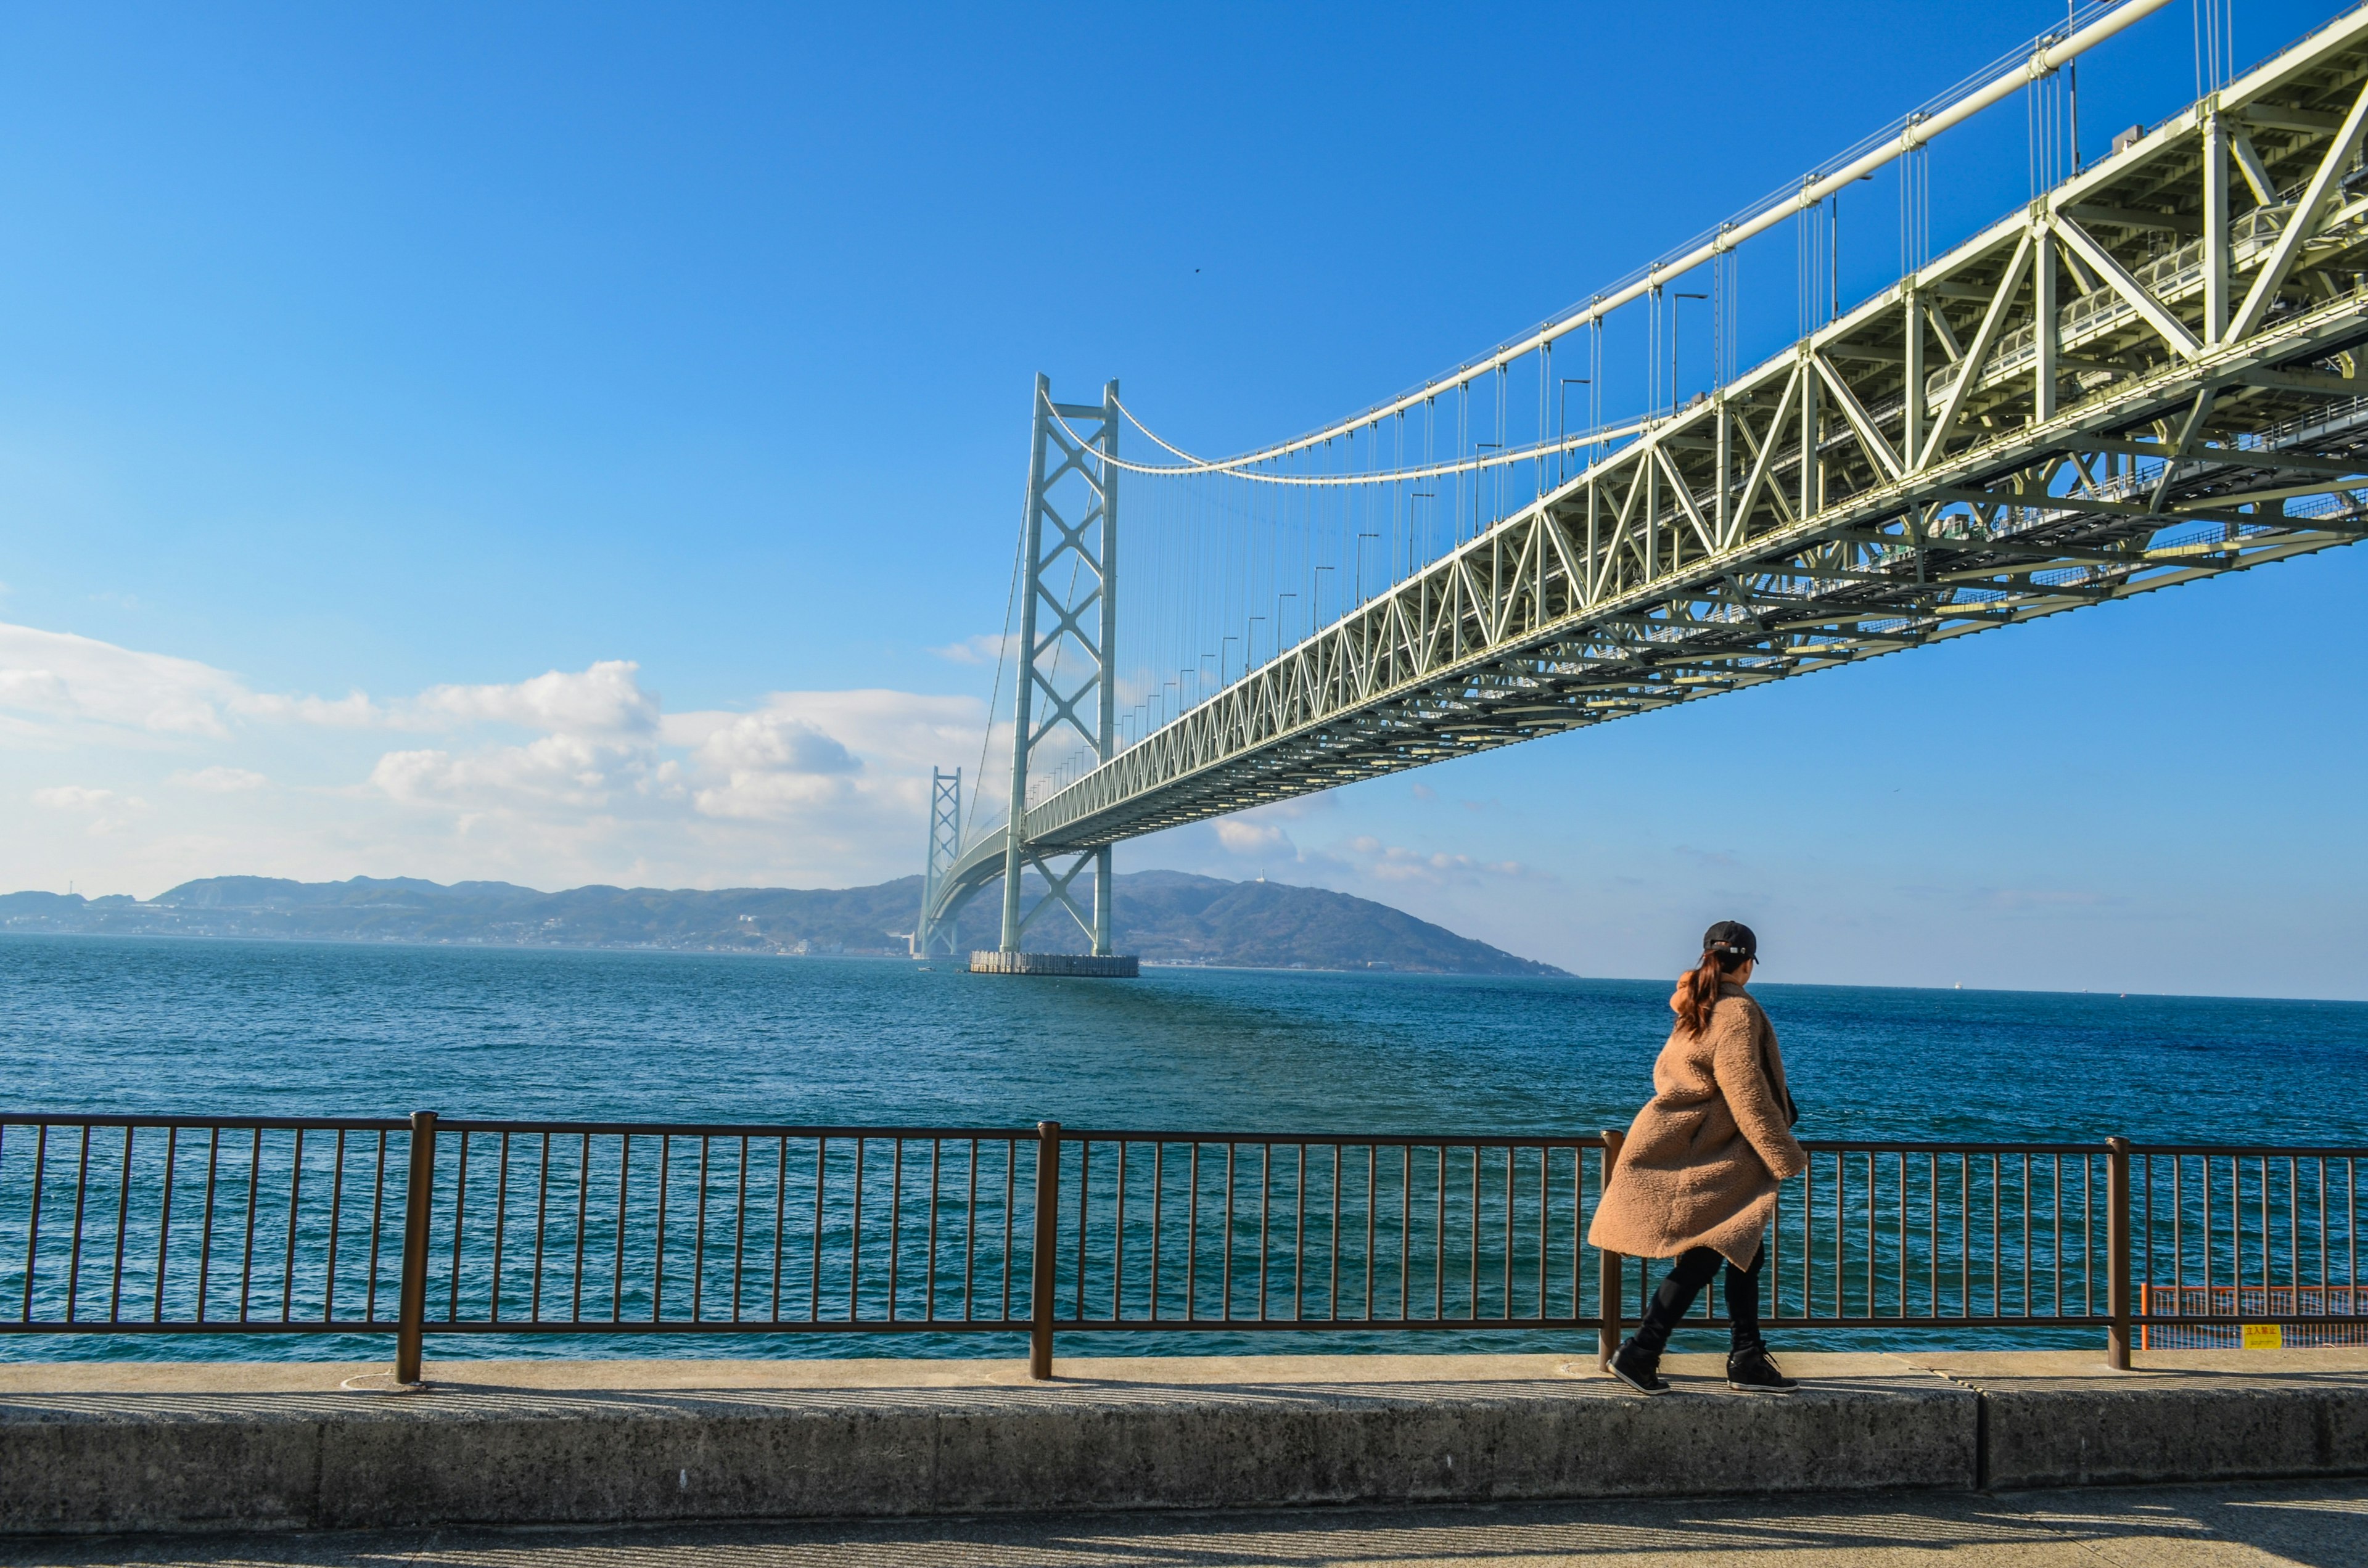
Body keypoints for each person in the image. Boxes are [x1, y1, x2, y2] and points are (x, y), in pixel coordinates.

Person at [1587, 920, 1805, 1394]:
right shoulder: (1736, 1011)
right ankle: (1642, 1350)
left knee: (1743, 1249)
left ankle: (1746, 1355)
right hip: (1716, 1152)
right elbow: (1746, 1090)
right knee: (1709, 1254)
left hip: (1692, 1143)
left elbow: (1669, 1073)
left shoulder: (1694, 1006)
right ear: (1747, 964)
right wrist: (1784, 1153)